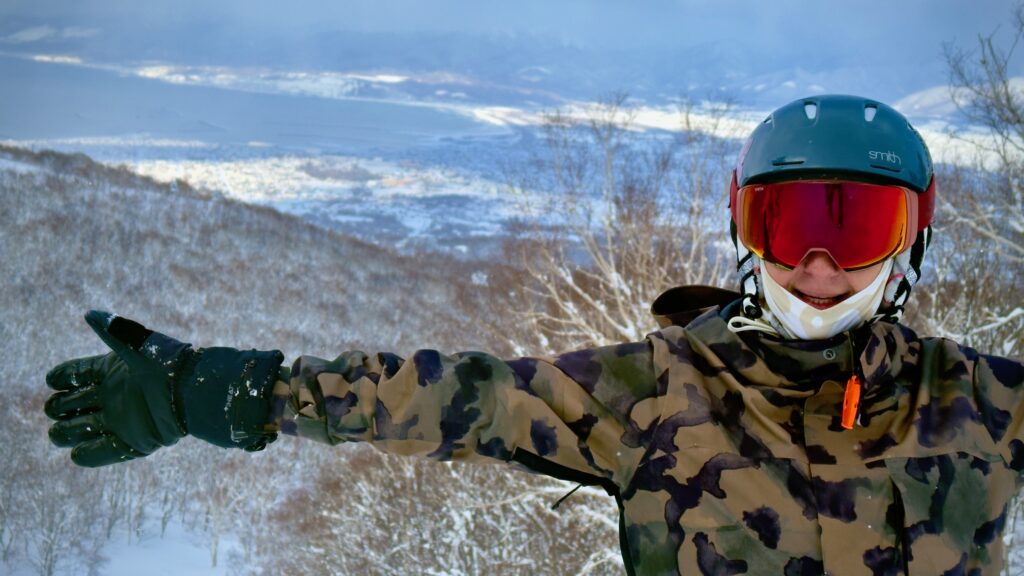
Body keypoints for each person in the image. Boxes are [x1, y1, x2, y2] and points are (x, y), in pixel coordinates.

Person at [44, 95, 1024, 575]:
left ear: (914, 239)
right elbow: (459, 396)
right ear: (743, 229)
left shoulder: (982, 404)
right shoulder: (660, 394)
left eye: (857, 227)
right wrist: (235, 391)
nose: (817, 264)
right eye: (787, 223)